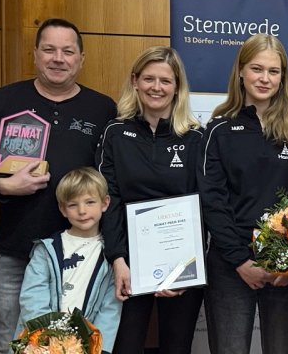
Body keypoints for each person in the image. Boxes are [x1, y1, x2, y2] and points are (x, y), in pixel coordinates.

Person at [0, 18, 118, 354]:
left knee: (84, 344)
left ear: (80, 59)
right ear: (35, 54)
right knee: (13, 343)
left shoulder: (103, 108)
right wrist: (3, 186)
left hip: (85, 251)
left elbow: (114, 176)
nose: (58, 58)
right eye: (49, 49)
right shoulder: (1, 102)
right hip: (18, 250)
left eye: (68, 51)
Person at [200, 34, 288, 354]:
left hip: (284, 270)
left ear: (283, 78)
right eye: (257, 69)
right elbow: (212, 201)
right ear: (240, 72)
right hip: (230, 267)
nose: (264, 78)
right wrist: (240, 261)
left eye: (273, 71)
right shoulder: (219, 130)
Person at [97, 46, 205, 353]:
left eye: (165, 81)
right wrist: (117, 259)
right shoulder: (116, 133)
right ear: (135, 81)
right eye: (148, 78)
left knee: (177, 347)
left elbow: (203, 205)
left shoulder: (196, 137)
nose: (156, 87)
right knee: (125, 346)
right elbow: (110, 199)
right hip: (128, 264)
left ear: (177, 88)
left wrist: (188, 270)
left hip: (182, 265)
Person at [17, 167, 122, 352]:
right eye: (73, 205)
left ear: (105, 203)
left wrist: (100, 349)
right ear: (63, 209)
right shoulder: (46, 249)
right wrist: (48, 338)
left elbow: (110, 309)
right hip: (41, 343)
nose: (82, 211)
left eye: (90, 202)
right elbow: (32, 296)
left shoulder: (111, 255)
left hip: (85, 345)